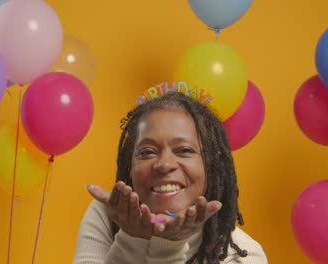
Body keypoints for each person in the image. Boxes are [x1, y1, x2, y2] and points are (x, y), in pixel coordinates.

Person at [73, 92, 268, 263]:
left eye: (184, 150)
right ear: (130, 164)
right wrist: (131, 239)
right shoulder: (108, 215)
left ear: (211, 164)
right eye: (147, 152)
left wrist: (168, 247)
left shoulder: (243, 256)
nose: (164, 165)